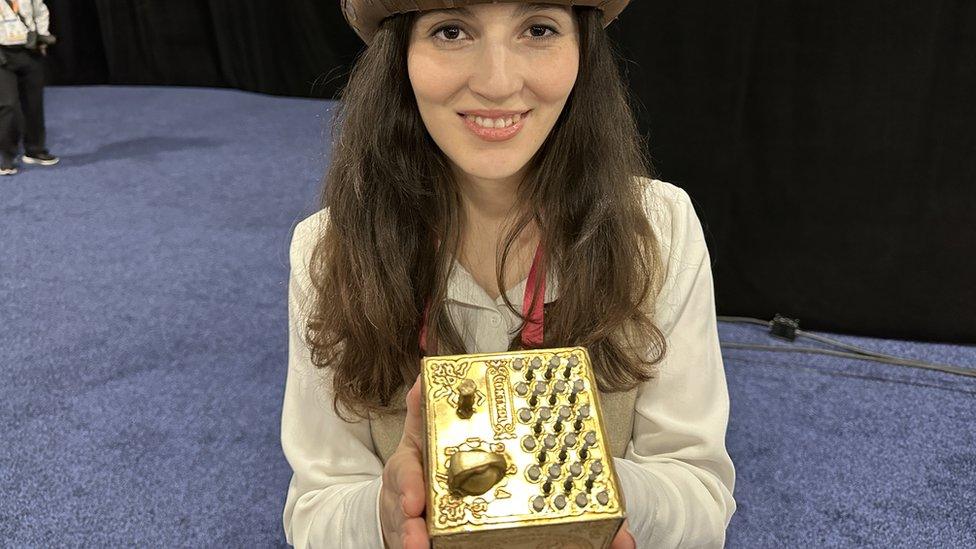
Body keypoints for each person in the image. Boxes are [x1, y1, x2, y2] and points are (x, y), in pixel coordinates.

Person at [281, 2, 737, 547]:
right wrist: (382, 515)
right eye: (451, 30)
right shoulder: (329, 249)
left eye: (538, 29)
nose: (497, 83)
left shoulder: (658, 228)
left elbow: (700, 492)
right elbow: (315, 507)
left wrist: (592, 493)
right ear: (397, 55)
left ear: (583, 50)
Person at [0, 0, 58, 176]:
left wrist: (42, 36)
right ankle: (7, 156)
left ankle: (35, 149)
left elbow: (40, 12)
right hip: (2, 54)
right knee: (8, 104)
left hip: (28, 50)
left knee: (34, 101)